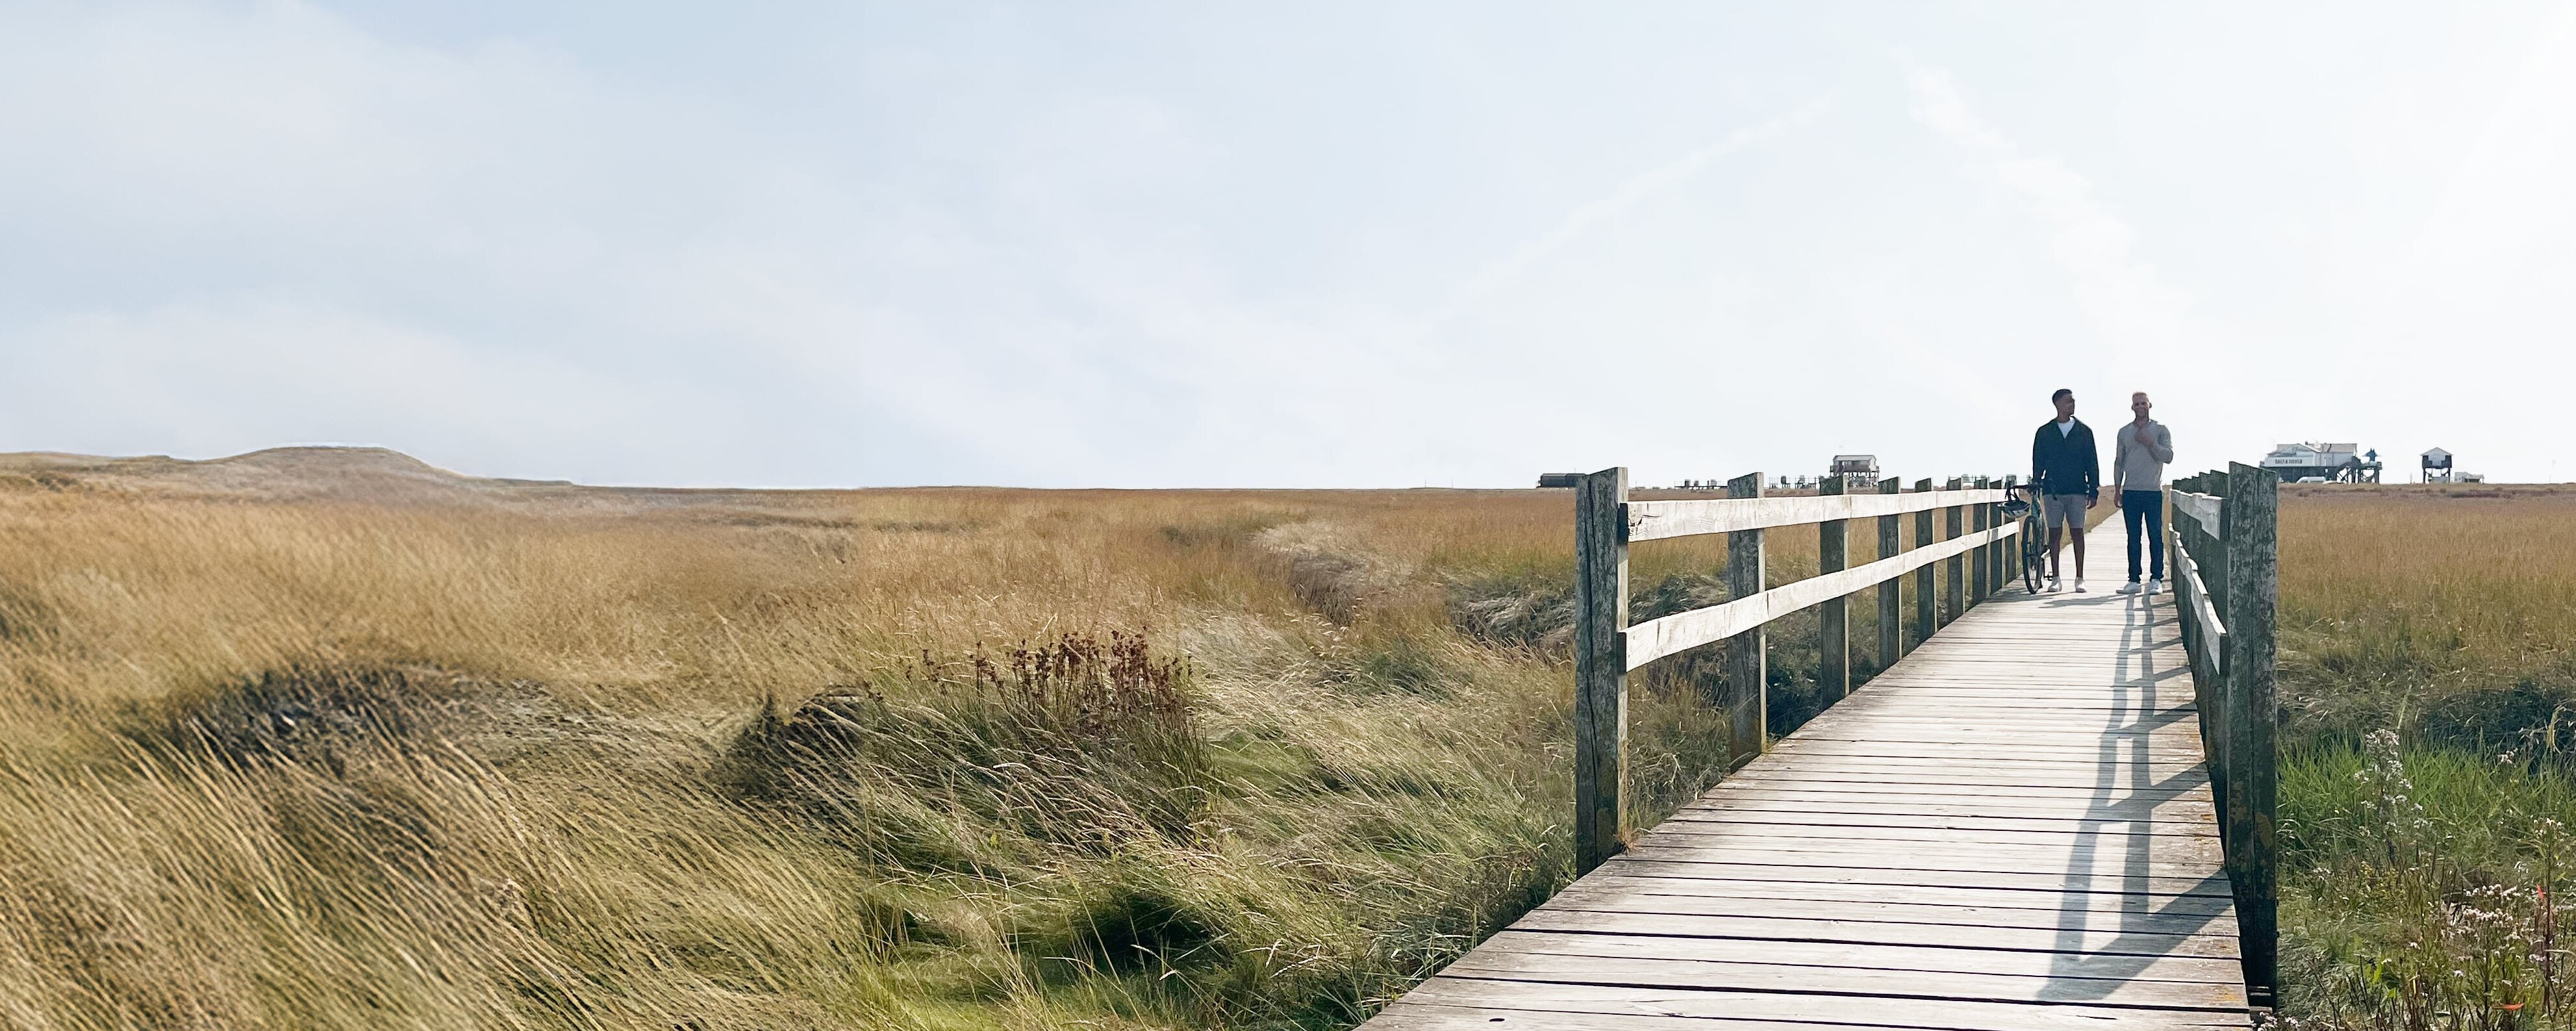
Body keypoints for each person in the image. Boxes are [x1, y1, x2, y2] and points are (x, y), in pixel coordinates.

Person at [2029, 388, 2099, 592]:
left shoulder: (2084, 432)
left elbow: (2092, 462)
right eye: (2069, 401)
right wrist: (2036, 482)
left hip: (2077, 489)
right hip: (2053, 491)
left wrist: (2093, 490)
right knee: (2055, 533)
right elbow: (2038, 461)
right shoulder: (2045, 432)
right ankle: (2056, 578)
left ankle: (2080, 578)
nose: (2072, 404)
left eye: (2073, 401)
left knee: (2078, 533)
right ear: (2058, 404)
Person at [2112, 392, 2175, 595]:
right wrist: (2117, 489)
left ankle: (2156, 579)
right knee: (2133, 537)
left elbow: (2168, 456)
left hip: (2153, 491)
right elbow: (2119, 461)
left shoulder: (2160, 430)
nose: (2140, 407)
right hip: (2131, 491)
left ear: (2150, 405)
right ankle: (2133, 580)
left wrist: (2150, 443)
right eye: (2136, 404)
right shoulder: (2124, 432)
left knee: (2155, 535)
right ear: (2132, 407)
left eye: (2143, 403)